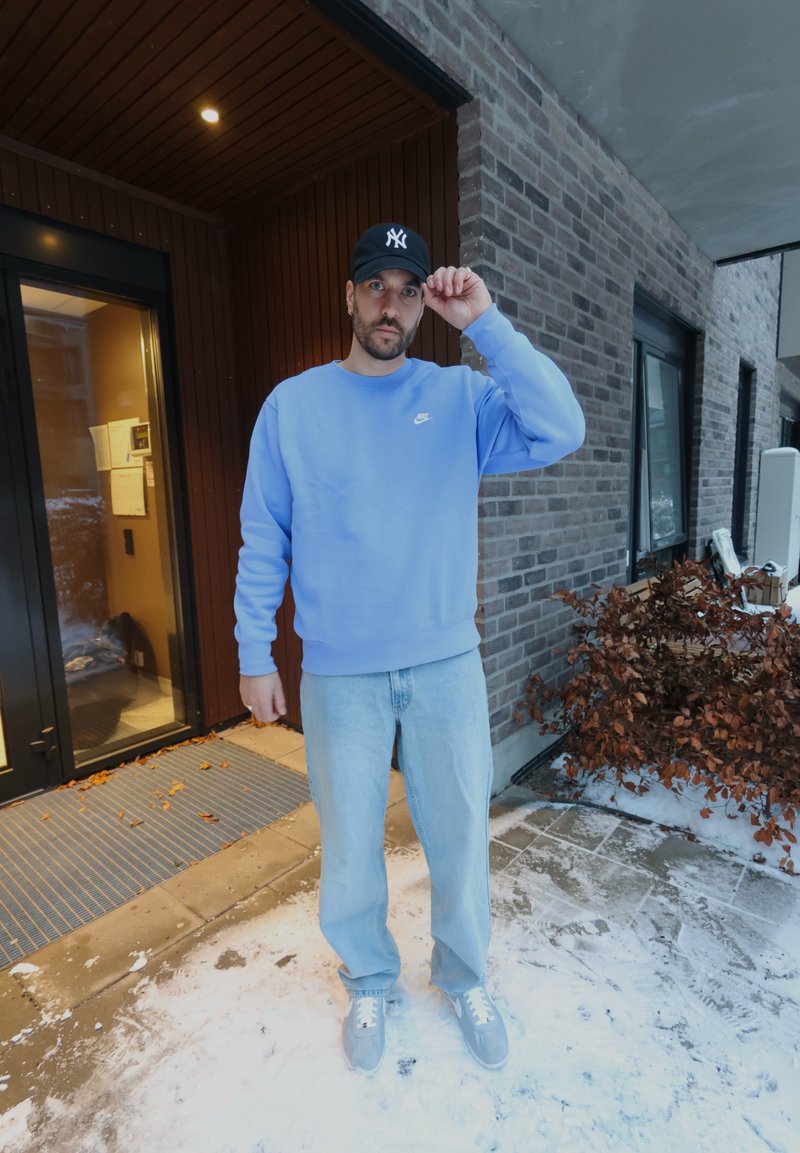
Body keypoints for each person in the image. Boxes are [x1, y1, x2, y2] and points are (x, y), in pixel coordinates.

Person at [235, 222, 585, 1074]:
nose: (390, 304)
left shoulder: (461, 399)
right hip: (339, 673)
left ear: (426, 302)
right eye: (374, 285)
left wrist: (486, 324)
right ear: (348, 296)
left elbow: (562, 428)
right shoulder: (293, 405)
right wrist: (254, 651)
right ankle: (368, 977)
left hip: (444, 664)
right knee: (351, 839)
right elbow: (262, 537)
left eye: (407, 288)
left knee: (461, 831)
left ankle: (464, 974)